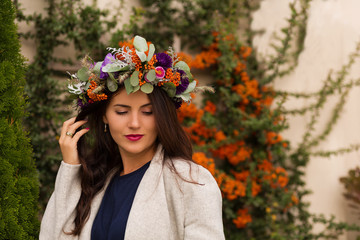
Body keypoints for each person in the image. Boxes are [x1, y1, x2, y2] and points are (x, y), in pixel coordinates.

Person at [39, 36, 225, 240]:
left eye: (147, 112)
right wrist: (70, 168)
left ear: (162, 118)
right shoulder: (97, 181)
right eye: (121, 112)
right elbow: (52, 235)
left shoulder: (191, 181)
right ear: (105, 116)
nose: (135, 123)